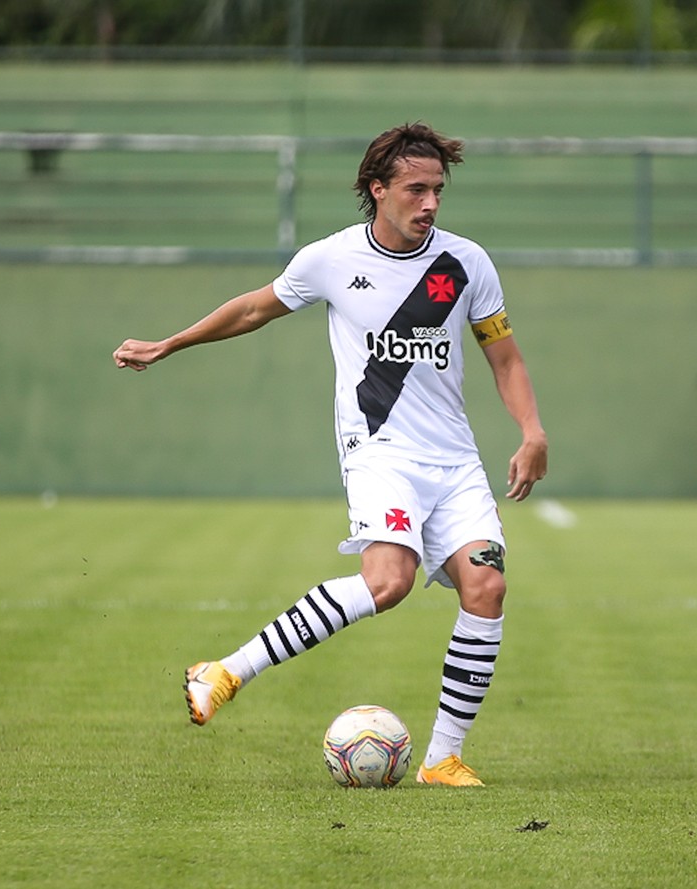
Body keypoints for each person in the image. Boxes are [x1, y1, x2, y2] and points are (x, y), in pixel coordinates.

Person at [113, 122, 548, 787]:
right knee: (388, 582)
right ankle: (225, 671)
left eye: (437, 189)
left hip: (455, 460)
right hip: (379, 451)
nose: (430, 202)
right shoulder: (332, 259)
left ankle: (441, 759)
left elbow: (505, 358)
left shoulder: (466, 263)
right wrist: (170, 343)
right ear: (377, 189)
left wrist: (532, 431)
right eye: (415, 189)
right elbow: (253, 309)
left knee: (487, 586)